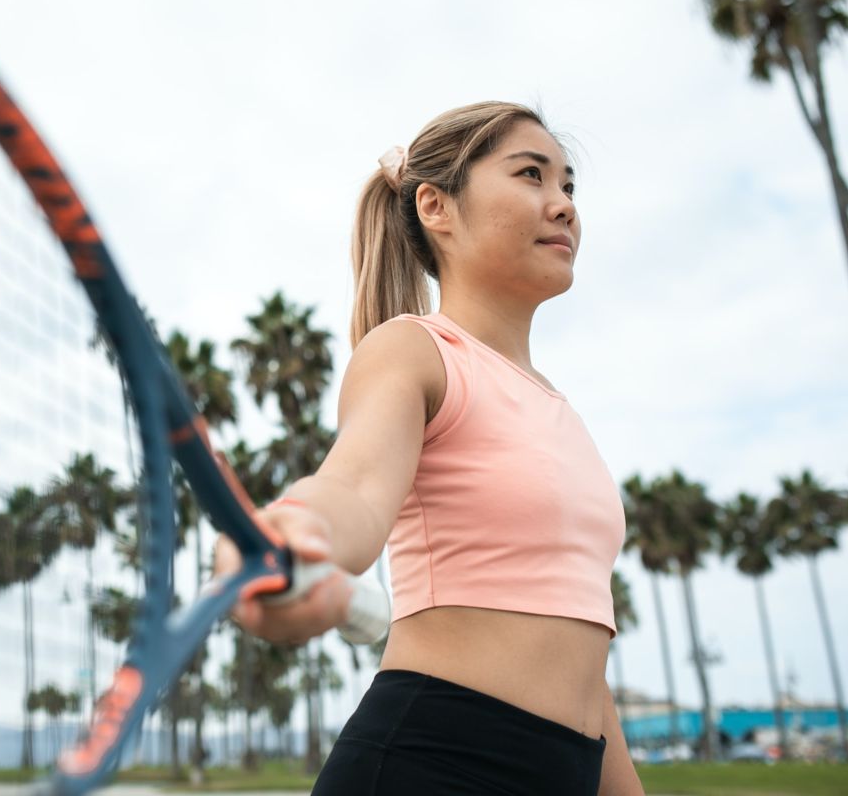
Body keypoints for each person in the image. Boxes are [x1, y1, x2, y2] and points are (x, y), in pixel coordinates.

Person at [215, 102, 644, 795]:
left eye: (568, 186)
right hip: (434, 762)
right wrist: (297, 531)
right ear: (436, 207)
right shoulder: (414, 351)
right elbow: (352, 486)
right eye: (532, 175)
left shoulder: (560, 410)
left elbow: (582, 652)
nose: (562, 205)